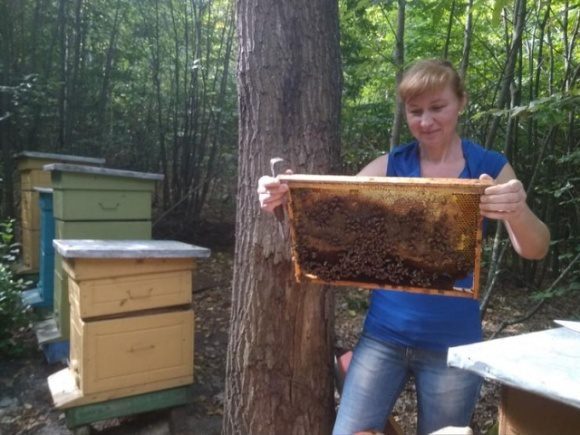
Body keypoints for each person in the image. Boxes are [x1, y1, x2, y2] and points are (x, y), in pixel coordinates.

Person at [257, 59, 550, 434]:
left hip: (454, 347)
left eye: (437, 107)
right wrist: (286, 197)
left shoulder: (488, 166)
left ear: (461, 102)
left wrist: (517, 210)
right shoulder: (390, 165)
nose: (426, 121)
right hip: (383, 338)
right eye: (415, 111)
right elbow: (329, 219)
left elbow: (536, 248)